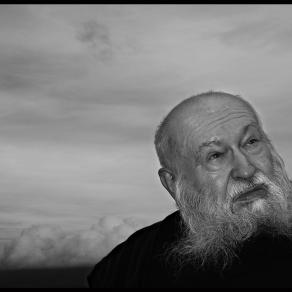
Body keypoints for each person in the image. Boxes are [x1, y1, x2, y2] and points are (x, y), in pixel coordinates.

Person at [87, 91, 292, 288]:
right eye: (215, 156)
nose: (246, 170)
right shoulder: (130, 267)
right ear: (172, 184)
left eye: (252, 142)